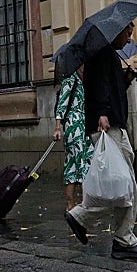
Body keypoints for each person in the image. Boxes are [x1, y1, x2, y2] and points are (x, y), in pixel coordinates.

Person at [64, 22, 137, 260]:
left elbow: (112, 89)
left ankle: (97, 225)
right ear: (116, 31)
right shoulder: (100, 54)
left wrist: (127, 78)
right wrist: (103, 113)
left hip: (112, 123)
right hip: (107, 125)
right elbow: (98, 86)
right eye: (127, 33)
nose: (129, 39)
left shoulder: (110, 55)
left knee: (122, 184)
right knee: (126, 184)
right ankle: (120, 238)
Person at [52, 71, 91, 211]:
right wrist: (57, 128)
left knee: (85, 160)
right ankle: (73, 203)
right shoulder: (70, 80)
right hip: (73, 124)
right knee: (76, 161)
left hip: (85, 124)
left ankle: (80, 203)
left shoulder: (87, 80)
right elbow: (62, 103)